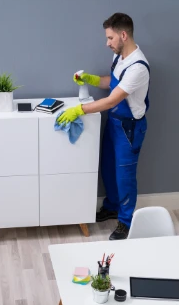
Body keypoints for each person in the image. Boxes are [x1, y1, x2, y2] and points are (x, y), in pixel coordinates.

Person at [58, 12, 150, 240]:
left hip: (129, 128)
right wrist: (90, 79)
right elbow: (113, 82)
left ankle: (126, 223)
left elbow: (111, 100)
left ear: (123, 35)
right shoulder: (120, 58)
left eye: (110, 38)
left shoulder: (139, 67)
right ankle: (111, 206)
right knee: (108, 168)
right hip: (114, 123)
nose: (107, 43)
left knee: (125, 176)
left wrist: (79, 110)